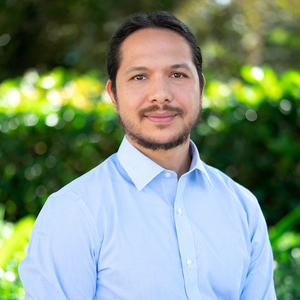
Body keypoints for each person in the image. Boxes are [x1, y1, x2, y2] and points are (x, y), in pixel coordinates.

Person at [19, 11, 277, 300]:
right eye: (139, 76)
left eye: (177, 74)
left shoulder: (242, 206)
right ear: (113, 95)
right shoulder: (74, 213)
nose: (160, 94)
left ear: (201, 88)